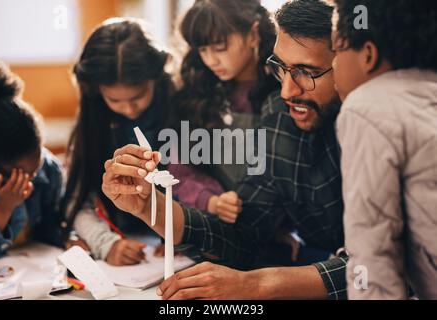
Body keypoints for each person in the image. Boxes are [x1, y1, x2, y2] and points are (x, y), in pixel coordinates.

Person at [102, 0, 349, 300]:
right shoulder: (281, 116)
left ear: (349, 64)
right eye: (281, 69)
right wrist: (151, 207)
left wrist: (258, 284)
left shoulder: (385, 130)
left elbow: (383, 266)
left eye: (306, 72)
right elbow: (245, 235)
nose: (286, 91)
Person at [332, 0, 437, 299]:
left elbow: (372, 256)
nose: (333, 65)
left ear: (368, 55)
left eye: (336, 51)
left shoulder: (368, 107)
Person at [60, 18, 175, 265]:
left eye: (138, 96)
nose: (129, 109)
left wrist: (182, 234)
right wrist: (105, 242)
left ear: (157, 76)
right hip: (124, 239)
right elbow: (77, 200)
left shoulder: (185, 112)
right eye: (114, 100)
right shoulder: (93, 123)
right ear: (96, 91)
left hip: (177, 245)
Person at [168, 0, 279, 224]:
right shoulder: (195, 93)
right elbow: (178, 170)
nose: (211, 60)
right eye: (202, 50)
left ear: (253, 34)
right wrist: (212, 201)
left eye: (220, 48)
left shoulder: (282, 87)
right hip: (213, 222)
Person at [0, 60, 65, 259]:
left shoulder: (50, 171)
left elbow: (53, 228)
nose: (31, 179)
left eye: (35, 168)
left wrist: (69, 239)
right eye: (19, 173)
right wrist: (4, 207)